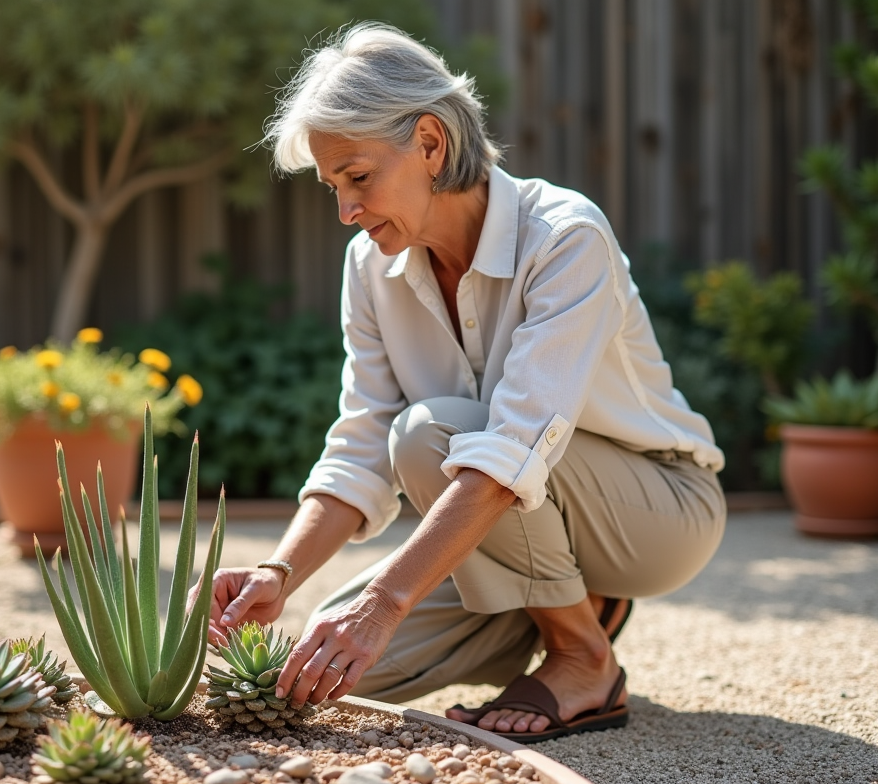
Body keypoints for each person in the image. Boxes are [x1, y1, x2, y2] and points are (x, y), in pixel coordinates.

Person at [202, 23, 726, 743]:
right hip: (507, 514)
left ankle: (581, 653)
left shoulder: (566, 236)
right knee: (331, 672)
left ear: (429, 143)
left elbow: (514, 444)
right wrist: (279, 572)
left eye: (357, 178)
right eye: (332, 187)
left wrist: (384, 604)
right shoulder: (368, 267)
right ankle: (552, 608)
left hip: (657, 511)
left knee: (430, 436)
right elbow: (360, 445)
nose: (345, 210)